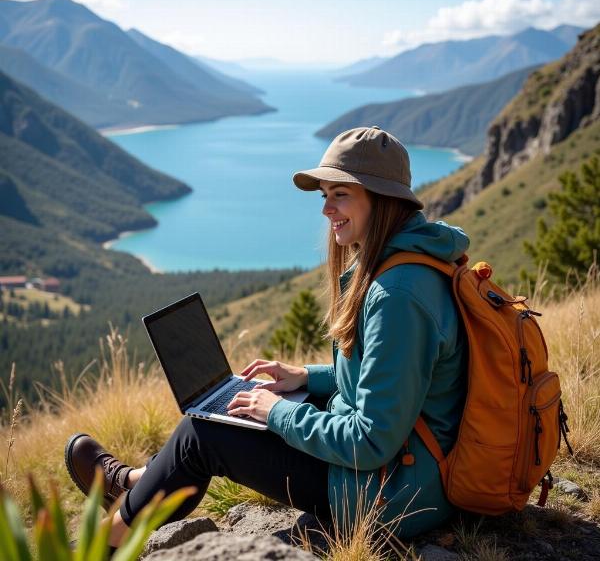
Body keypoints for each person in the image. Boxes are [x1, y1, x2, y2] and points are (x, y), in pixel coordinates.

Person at [65, 126, 468, 549]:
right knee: (234, 414)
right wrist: (306, 379)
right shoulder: (411, 263)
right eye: (324, 196)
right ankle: (139, 480)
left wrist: (276, 412)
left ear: (383, 199)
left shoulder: (398, 295)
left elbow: (369, 441)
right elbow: (393, 378)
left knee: (201, 435)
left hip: (393, 496)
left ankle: (106, 545)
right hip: (408, 472)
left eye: (341, 195)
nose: (327, 209)